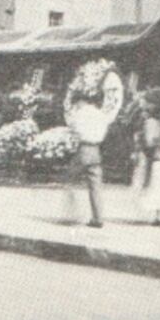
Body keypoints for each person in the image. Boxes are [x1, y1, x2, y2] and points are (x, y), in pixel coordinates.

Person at [65, 94, 112, 228]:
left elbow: (73, 128)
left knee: (70, 179)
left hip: (84, 148)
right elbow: (104, 131)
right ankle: (98, 218)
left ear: (81, 101)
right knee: (95, 185)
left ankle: (73, 213)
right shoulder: (100, 114)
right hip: (96, 150)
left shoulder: (80, 113)